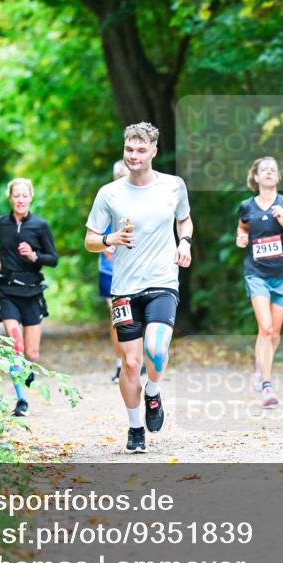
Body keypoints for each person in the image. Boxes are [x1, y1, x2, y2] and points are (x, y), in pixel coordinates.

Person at [84, 123, 193, 453]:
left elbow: (184, 220)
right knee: (131, 363)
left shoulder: (173, 187)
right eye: (129, 150)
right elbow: (89, 240)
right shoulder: (109, 193)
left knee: (156, 351)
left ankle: (153, 391)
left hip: (162, 281)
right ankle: (135, 428)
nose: (134, 155)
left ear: (153, 152)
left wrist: (185, 242)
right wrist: (109, 238)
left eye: (141, 150)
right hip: (124, 288)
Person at [0, 177, 58, 417]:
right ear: (10, 198)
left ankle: (26, 369)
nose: (20, 200)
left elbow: (53, 258)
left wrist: (34, 256)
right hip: (8, 290)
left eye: (24, 195)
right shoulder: (0, 223)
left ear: (30, 197)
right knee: (16, 344)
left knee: (31, 354)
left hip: (32, 292)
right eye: (16, 195)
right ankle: (21, 401)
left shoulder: (40, 225)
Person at [235, 156, 283, 407]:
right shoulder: (247, 206)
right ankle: (267, 386)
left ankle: (260, 366)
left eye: (273, 170)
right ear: (255, 177)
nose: (269, 173)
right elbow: (243, 228)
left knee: (274, 333)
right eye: (263, 170)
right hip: (256, 273)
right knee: (265, 328)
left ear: (278, 177)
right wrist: (241, 238)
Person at [100, 160, 129, 383]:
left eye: (124, 173)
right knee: (117, 317)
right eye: (117, 173)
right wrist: (106, 245)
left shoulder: (141, 199)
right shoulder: (106, 200)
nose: (121, 176)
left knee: (138, 314)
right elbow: (94, 235)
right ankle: (120, 363)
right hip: (110, 269)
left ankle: (136, 360)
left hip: (136, 269)